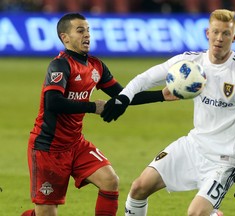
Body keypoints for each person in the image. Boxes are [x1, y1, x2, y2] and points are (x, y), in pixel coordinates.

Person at [101, 9, 235, 216]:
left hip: (226, 159)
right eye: (215, 32)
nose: (219, 38)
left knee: (195, 213)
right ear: (207, 33)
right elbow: (147, 77)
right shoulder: (190, 63)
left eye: (225, 34)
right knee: (138, 188)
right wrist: (124, 97)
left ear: (234, 37)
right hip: (194, 145)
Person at [21, 13, 176, 216]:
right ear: (64, 37)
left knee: (110, 180)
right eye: (80, 30)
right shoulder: (60, 65)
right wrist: (93, 107)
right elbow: (53, 103)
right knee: (47, 213)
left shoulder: (97, 66)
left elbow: (123, 96)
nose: (87, 35)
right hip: (48, 147)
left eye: (88, 30)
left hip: (75, 144)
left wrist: (161, 95)